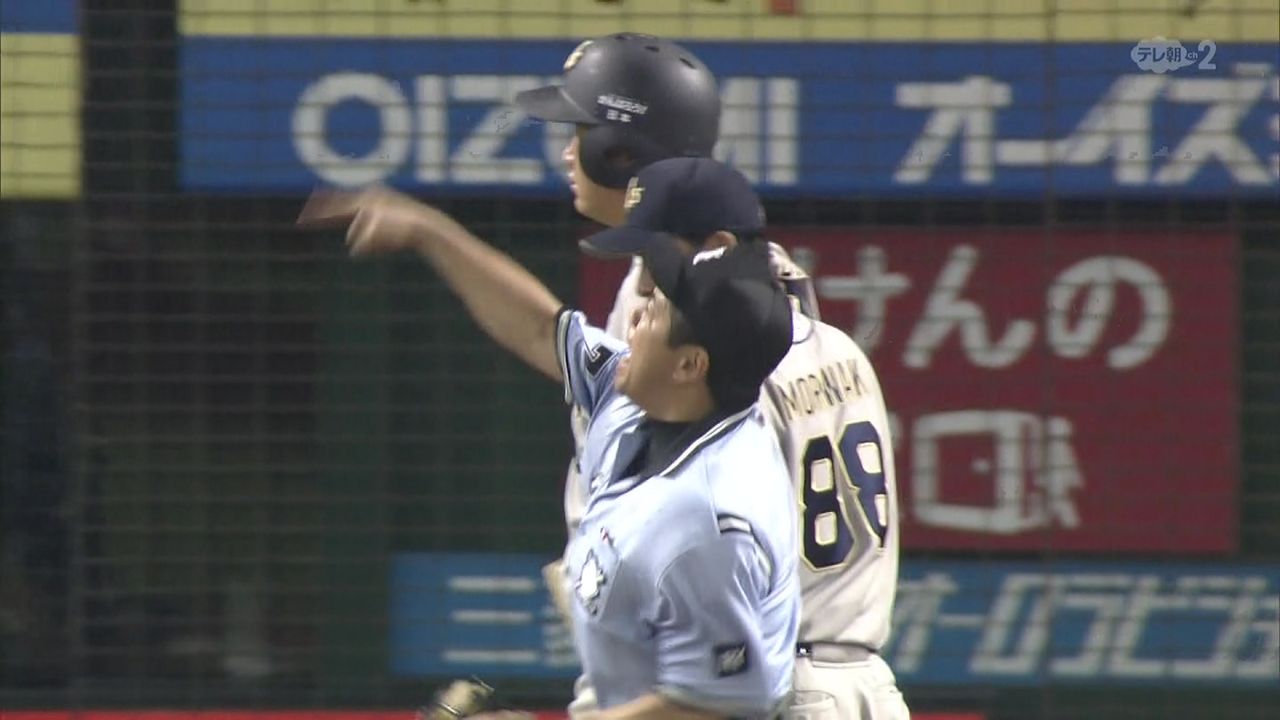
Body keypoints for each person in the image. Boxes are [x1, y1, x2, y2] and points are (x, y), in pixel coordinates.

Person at [296, 173, 801, 719]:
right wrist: (427, 230)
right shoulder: (638, 397)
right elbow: (541, 328)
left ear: (689, 364)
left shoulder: (708, 523)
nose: (634, 314)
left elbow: (712, 709)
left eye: (654, 312)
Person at [583, 156, 911, 720]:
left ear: (718, 247)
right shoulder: (840, 348)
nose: (645, 284)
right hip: (871, 687)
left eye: (656, 260)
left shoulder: (733, 384)